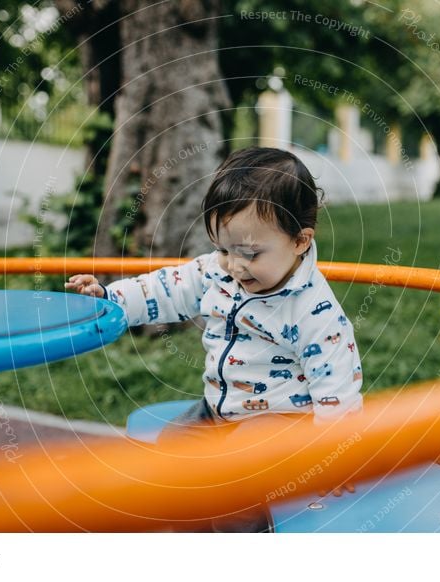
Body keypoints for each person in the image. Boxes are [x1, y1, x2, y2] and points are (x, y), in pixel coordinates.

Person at [65, 146, 363, 530]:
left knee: (234, 475)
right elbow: (163, 290)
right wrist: (110, 297)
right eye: (223, 249)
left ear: (300, 241)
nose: (235, 266)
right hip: (219, 409)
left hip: (284, 422)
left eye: (251, 253)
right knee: (176, 450)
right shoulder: (215, 273)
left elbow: (336, 383)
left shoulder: (313, 310)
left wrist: (337, 456)